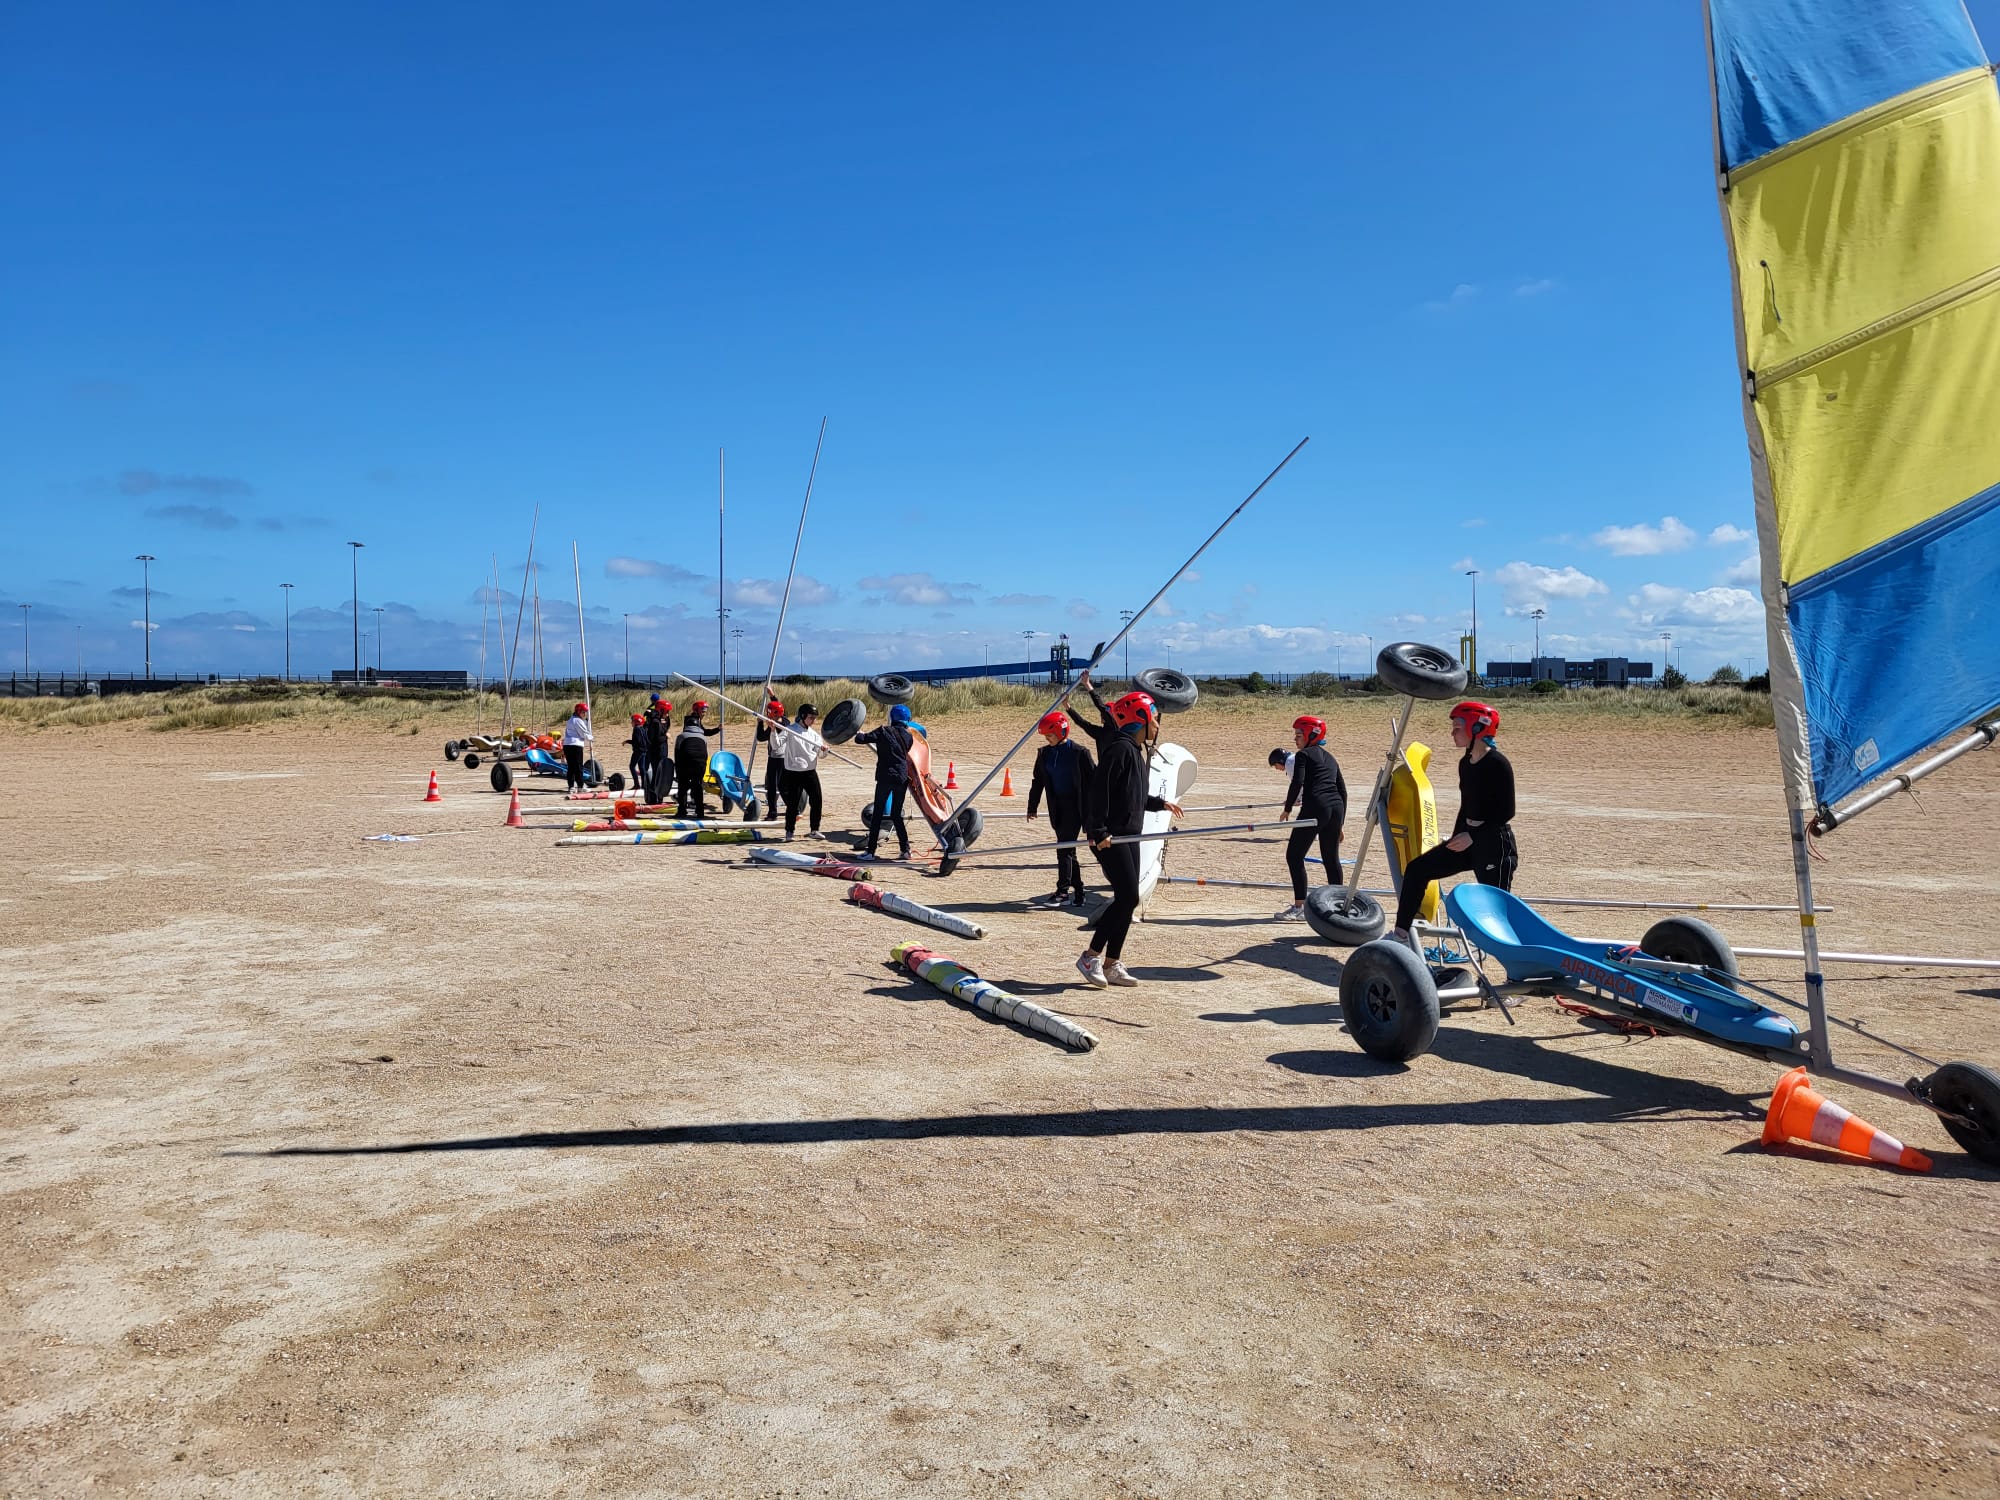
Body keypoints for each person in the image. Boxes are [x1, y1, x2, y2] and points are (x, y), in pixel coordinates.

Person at [1071, 669, 1181, 988]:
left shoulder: (1135, 752)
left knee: (1128, 899)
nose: (1158, 726)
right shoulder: (1119, 749)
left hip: (1128, 834)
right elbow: (1098, 792)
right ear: (1141, 718)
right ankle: (1090, 956)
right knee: (1126, 897)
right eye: (1155, 718)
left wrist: (1160, 804)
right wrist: (1098, 831)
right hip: (1109, 836)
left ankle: (1111, 963)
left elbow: (1132, 796)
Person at [1391, 700, 1518, 950]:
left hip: (1494, 842)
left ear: (1477, 729)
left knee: (1497, 910)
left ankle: (1514, 964)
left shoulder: (1498, 764)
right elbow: (1466, 805)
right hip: (1468, 837)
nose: (1452, 733)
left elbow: (1506, 812)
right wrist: (1458, 836)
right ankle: (1400, 935)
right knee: (1418, 869)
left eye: (1457, 727)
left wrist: (1474, 836)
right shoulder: (1465, 763)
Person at [1275, 715, 1346, 920]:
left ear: (1311, 735)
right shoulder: (1330, 758)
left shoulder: (1303, 755)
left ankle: (1299, 907)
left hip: (1315, 806)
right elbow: (1343, 790)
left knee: (1294, 856)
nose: (1295, 740)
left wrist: (1287, 808)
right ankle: (1338, 906)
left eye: (1298, 735)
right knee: (1331, 859)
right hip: (1336, 808)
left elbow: (1297, 782)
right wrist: (1340, 822)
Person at [1026, 709, 1095, 908]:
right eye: (1046, 736)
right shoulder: (1044, 754)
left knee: (1064, 849)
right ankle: (1080, 893)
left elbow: (1094, 780)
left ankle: (1063, 892)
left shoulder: (1079, 753)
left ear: (1062, 732)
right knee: (1068, 850)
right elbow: (1038, 781)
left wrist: (1096, 812)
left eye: (1051, 735)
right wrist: (1032, 806)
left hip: (1076, 806)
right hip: (1057, 807)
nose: (1048, 739)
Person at [855, 703, 916, 858]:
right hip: (902, 777)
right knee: (897, 815)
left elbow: (861, 739)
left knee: (877, 815)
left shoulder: (883, 731)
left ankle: (870, 851)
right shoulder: (909, 736)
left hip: (885, 777)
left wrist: (859, 733)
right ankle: (905, 850)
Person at [772, 702, 828, 840]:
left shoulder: (814, 735)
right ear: (802, 716)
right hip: (793, 773)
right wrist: (773, 730)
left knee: (817, 801)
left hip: (810, 773)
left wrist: (824, 751)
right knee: (793, 804)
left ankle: (814, 830)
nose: (813, 720)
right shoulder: (790, 730)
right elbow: (776, 745)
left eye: (815, 718)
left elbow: (819, 755)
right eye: (811, 717)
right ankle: (789, 831)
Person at [674, 701, 719, 819]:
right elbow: (704, 752)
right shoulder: (702, 736)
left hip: (687, 759)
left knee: (683, 785)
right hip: (700, 761)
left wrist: (678, 771)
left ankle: (682, 811)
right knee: (697, 785)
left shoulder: (682, 736)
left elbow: (678, 754)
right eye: (703, 710)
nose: (705, 713)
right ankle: (700, 812)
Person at [755, 696, 788, 819]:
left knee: (773, 787)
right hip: (784, 758)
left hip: (776, 759)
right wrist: (772, 695)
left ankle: (773, 813)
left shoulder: (776, 726)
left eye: (769, 712)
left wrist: (759, 723)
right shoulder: (785, 721)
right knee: (782, 786)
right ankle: (793, 809)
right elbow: (778, 706)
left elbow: (761, 737)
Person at [642, 696, 675, 805]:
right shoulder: (654, 722)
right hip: (655, 751)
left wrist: (665, 734)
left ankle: (659, 796)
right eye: (666, 711)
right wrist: (666, 736)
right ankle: (653, 796)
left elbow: (665, 728)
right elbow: (654, 739)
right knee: (657, 773)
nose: (668, 714)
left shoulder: (664, 719)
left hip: (663, 750)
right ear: (660, 711)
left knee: (662, 774)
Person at [561, 701, 593, 792]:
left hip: (567, 745)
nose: (585, 714)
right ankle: (580, 786)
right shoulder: (577, 720)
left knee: (571, 767)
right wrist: (591, 738)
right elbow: (583, 734)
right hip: (575, 745)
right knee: (578, 767)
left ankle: (571, 787)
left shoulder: (571, 719)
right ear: (578, 712)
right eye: (583, 712)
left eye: (585, 712)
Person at [626, 712, 647, 795]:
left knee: (632, 766)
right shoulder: (643, 728)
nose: (631, 722)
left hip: (638, 750)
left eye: (632, 721)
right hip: (644, 750)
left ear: (636, 721)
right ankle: (644, 785)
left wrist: (628, 741)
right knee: (642, 768)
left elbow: (636, 741)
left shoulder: (636, 729)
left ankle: (636, 784)